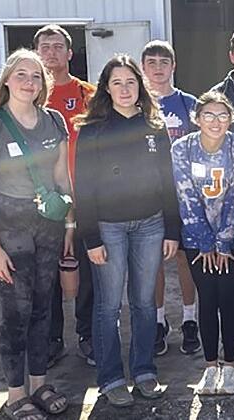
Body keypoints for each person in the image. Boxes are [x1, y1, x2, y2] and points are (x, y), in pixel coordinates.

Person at [73, 54, 180, 407]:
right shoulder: (93, 128)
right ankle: (111, 377)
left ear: (140, 87)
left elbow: (168, 181)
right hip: (109, 229)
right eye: (116, 82)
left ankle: (145, 371)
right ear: (106, 87)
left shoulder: (154, 126)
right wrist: (91, 237)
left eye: (130, 82)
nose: (124, 89)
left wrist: (171, 229)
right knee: (107, 306)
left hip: (150, 225)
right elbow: (83, 187)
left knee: (144, 303)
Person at [0, 48, 71, 420]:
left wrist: (69, 226)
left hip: (47, 227)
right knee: (16, 312)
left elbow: (62, 179)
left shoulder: (54, 121)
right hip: (8, 228)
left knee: (45, 307)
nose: (29, 82)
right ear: (7, 81)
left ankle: (40, 382)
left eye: (35, 76)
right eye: (21, 75)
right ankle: (16, 394)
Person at [171, 91, 234, 395]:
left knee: (230, 299)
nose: (215, 122)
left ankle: (230, 364)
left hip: (233, 239)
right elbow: (185, 194)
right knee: (208, 299)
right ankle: (209, 365)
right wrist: (205, 242)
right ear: (197, 118)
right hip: (196, 239)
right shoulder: (182, 148)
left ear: (230, 118)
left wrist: (223, 241)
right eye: (208, 115)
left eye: (222, 115)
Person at [33, 24, 97, 368]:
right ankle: (52, 337)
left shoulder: (88, 93)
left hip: (85, 195)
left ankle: (87, 334)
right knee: (47, 271)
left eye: (58, 47)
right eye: (45, 47)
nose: (51, 53)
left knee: (87, 268)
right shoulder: (29, 95)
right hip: (44, 201)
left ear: (70, 54)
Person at [141, 40, 201, 357]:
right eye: (152, 62)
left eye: (164, 61)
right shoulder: (135, 106)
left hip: (185, 195)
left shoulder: (190, 104)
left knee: (185, 258)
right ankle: (159, 321)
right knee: (153, 261)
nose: (158, 67)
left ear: (173, 66)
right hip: (150, 197)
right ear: (143, 67)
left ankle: (190, 320)